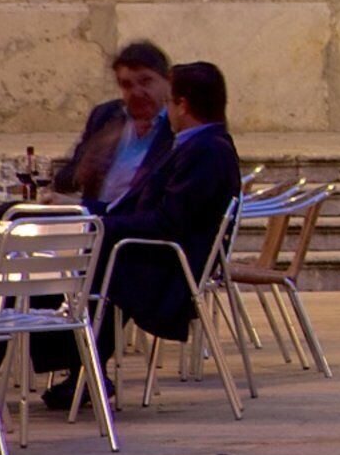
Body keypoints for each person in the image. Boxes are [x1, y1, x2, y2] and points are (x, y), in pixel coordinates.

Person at [42, 58, 240, 411]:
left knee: (50, 275)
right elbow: (137, 209)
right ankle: (82, 370)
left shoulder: (206, 150)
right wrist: (85, 210)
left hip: (163, 272)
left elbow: (168, 222)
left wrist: (99, 225)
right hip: (147, 256)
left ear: (183, 104)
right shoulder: (198, 144)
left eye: (169, 102)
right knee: (50, 269)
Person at [48, 40, 172, 212]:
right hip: (91, 223)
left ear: (168, 81)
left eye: (145, 82)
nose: (136, 92)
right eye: (126, 85)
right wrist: (82, 169)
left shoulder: (176, 128)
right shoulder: (106, 116)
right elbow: (63, 182)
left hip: (137, 228)